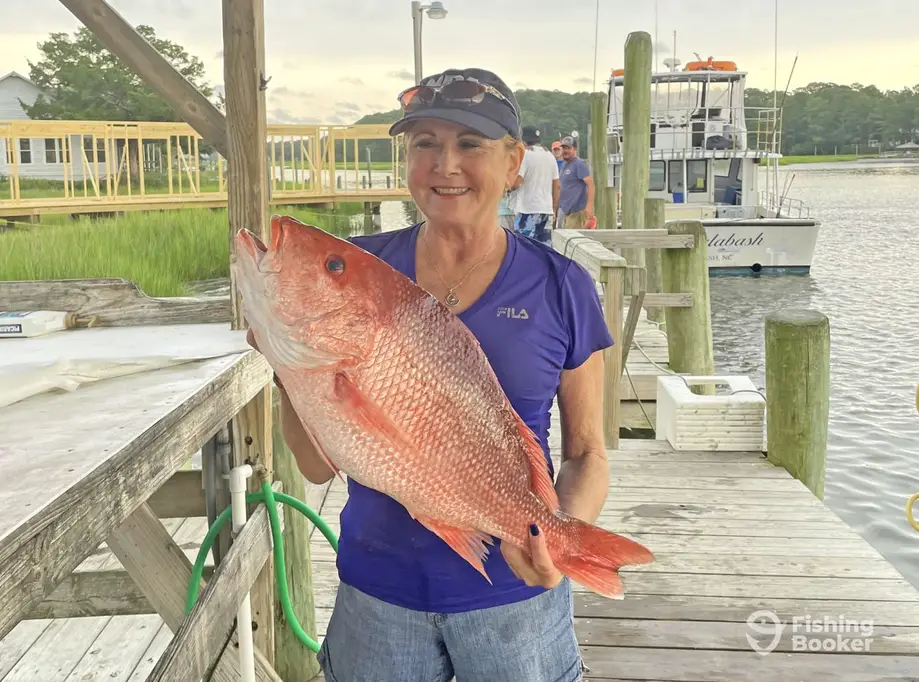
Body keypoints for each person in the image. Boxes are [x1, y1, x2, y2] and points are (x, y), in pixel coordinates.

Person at [250, 67, 613, 682]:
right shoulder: (367, 265)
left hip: (514, 604)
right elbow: (315, 467)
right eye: (425, 145)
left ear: (513, 162)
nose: (446, 165)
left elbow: (588, 453)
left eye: (470, 145)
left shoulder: (563, 287)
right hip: (377, 596)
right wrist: (290, 366)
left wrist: (557, 541)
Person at [511, 124, 559, 246]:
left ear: (523, 140)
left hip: (528, 209)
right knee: (544, 249)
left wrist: (505, 186)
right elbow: (557, 185)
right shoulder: (550, 156)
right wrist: (554, 208)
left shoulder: (526, 155)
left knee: (523, 248)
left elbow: (516, 183)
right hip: (546, 210)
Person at [555, 135, 595, 229]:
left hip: (577, 212)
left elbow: (590, 184)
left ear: (575, 149)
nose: (565, 151)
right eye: (564, 148)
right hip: (565, 211)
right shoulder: (564, 165)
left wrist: (589, 206)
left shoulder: (579, 164)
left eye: (568, 148)